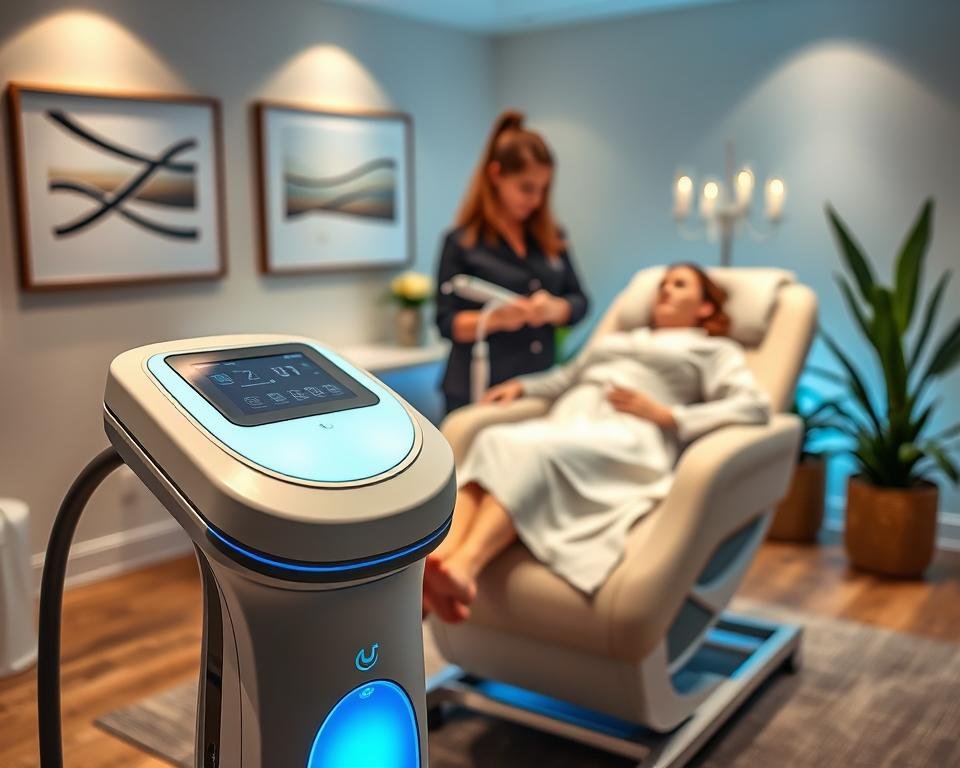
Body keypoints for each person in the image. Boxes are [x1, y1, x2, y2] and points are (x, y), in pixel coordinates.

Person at [423, 263, 770, 623]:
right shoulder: (618, 339)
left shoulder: (713, 351)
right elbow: (567, 377)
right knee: (495, 437)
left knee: (534, 451)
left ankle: (467, 565)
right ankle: (438, 568)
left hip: (627, 437)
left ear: (705, 307)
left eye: (679, 285)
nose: (665, 289)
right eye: (663, 283)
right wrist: (524, 386)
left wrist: (670, 416)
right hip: (572, 421)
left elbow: (754, 406)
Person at [434, 110, 590, 414]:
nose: (535, 200)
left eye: (543, 190)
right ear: (496, 176)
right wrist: (498, 319)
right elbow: (446, 322)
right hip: (479, 386)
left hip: (535, 386)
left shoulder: (552, 238)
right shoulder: (461, 243)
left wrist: (556, 309)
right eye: (526, 188)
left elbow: (580, 301)